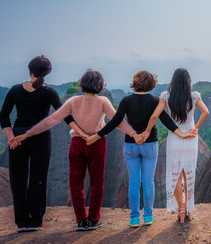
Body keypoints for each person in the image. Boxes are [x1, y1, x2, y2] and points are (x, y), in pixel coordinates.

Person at [12, 69, 139, 231]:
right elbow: (117, 121)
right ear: (99, 85)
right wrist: (134, 134)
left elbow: (52, 119)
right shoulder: (102, 101)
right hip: (97, 142)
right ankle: (93, 220)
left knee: (75, 183)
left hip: (77, 143)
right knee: (97, 182)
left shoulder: (73, 101)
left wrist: (28, 134)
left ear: (83, 84)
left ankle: (81, 221)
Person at [86, 70, 196, 227]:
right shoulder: (154, 100)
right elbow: (166, 121)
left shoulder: (126, 100)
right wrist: (181, 133)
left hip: (131, 145)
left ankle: (134, 218)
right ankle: (149, 216)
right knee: (148, 181)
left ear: (135, 83)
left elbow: (115, 121)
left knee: (134, 182)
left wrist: (97, 135)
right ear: (151, 84)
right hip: (150, 144)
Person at [0, 55, 78, 232]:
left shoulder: (15, 90)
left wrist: (11, 137)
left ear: (30, 70)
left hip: (18, 136)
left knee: (18, 180)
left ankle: (21, 222)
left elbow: (3, 116)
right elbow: (63, 114)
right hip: (40, 137)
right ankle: (35, 221)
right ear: (47, 72)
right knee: (38, 179)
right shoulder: (49, 92)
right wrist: (79, 131)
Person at [147, 68, 209, 223]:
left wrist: (147, 131)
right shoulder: (194, 97)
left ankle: (181, 208)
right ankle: (188, 209)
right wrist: (196, 128)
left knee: (176, 175)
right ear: (188, 82)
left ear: (173, 81)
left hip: (174, 138)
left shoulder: (166, 97)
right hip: (191, 138)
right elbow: (206, 112)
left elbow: (155, 115)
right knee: (189, 173)